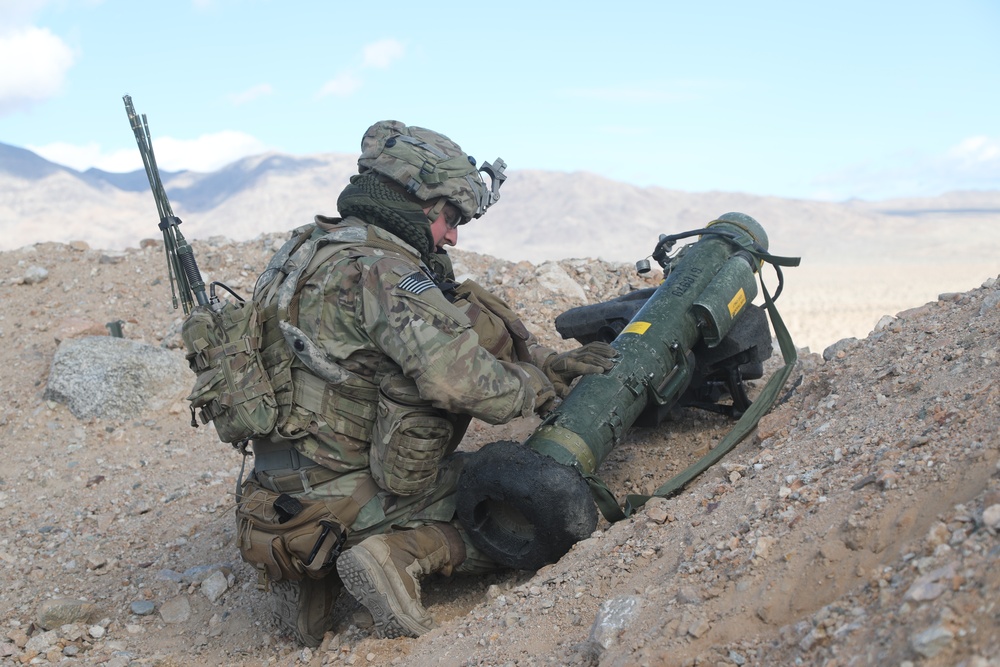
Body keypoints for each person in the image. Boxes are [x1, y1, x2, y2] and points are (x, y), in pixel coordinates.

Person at [236, 120, 616, 646]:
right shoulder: (384, 273)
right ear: (415, 201)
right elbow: (469, 384)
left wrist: (544, 361)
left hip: (277, 498)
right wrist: (539, 384)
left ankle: (315, 580)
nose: (454, 235)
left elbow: (454, 333)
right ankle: (397, 552)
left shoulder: (301, 256)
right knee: (546, 508)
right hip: (351, 499)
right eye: (450, 217)